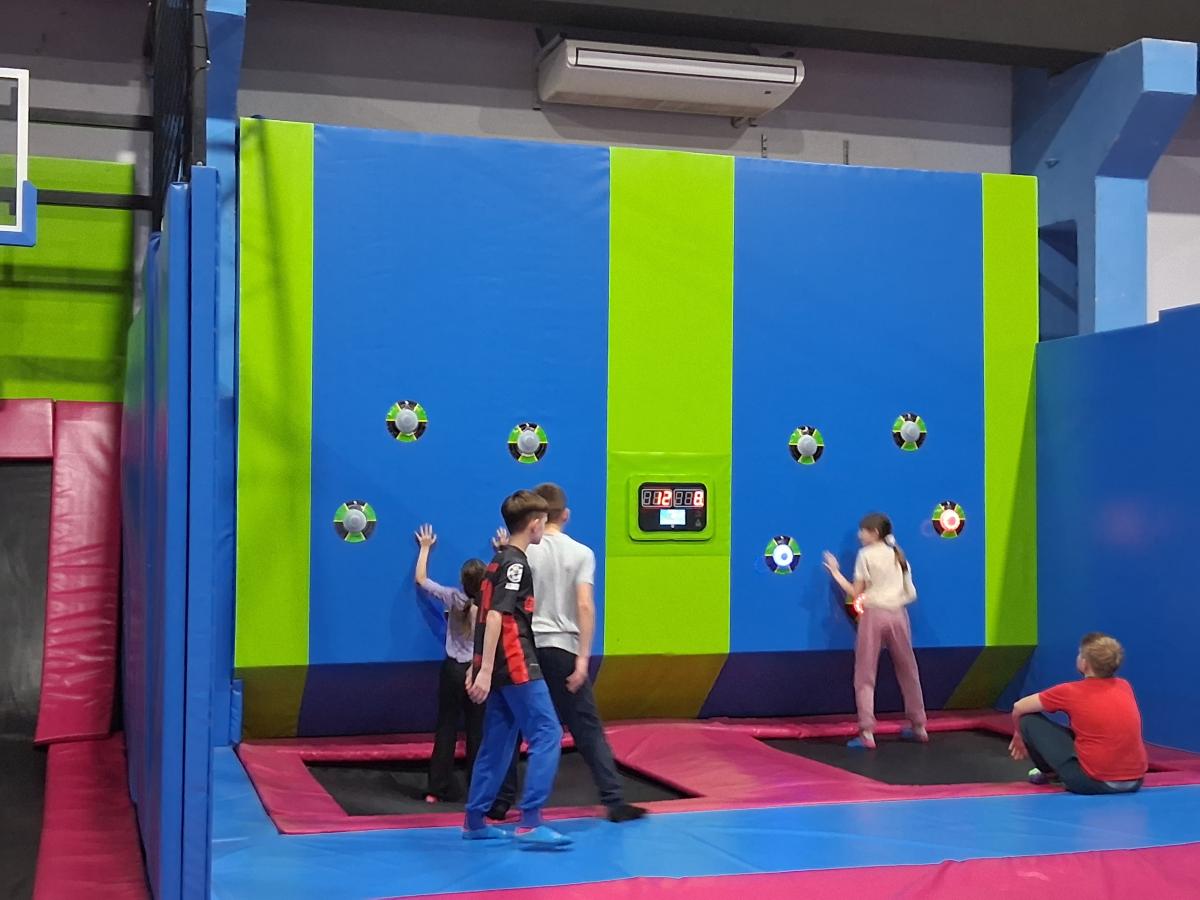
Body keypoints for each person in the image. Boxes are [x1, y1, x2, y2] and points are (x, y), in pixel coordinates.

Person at [490, 484, 647, 824]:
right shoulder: (581, 553)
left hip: (525, 647)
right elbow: (584, 605)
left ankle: (500, 802)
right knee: (586, 727)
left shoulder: (522, 551)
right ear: (565, 515)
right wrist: (582, 659)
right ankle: (613, 799)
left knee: (514, 725)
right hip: (562, 648)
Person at [463, 490, 571, 849]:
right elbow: (496, 616)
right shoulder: (515, 564)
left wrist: (479, 665)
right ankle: (530, 820)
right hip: (516, 662)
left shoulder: (496, 561)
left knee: (497, 742)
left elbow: (482, 614)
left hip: (499, 666)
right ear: (535, 524)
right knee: (547, 733)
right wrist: (483, 670)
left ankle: (475, 821)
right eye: (544, 521)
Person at [822, 512, 926, 750]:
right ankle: (919, 726)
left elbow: (855, 592)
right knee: (908, 670)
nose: (859, 535)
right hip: (898, 615)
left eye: (863, 530)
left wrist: (835, 572)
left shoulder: (865, 555)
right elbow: (908, 590)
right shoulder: (897, 554)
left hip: (874, 616)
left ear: (875, 533)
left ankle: (867, 732)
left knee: (865, 673)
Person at [1008, 633, 1147, 794]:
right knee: (1083, 732)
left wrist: (1018, 735)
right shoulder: (1124, 686)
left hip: (1094, 783)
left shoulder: (1070, 691)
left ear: (1084, 663)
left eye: (1080, 654)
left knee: (1027, 720)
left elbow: (1019, 707)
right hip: (1135, 781)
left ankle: (1049, 773)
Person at [413, 523, 486, 804]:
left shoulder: (452, 597)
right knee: (477, 731)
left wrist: (425, 548)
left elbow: (421, 580)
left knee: (446, 727)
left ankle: (436, 789)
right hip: (475, 672)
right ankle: (477, 788)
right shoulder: (486, 608)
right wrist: (503, 549)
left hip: (452, 670)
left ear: (461, 580)